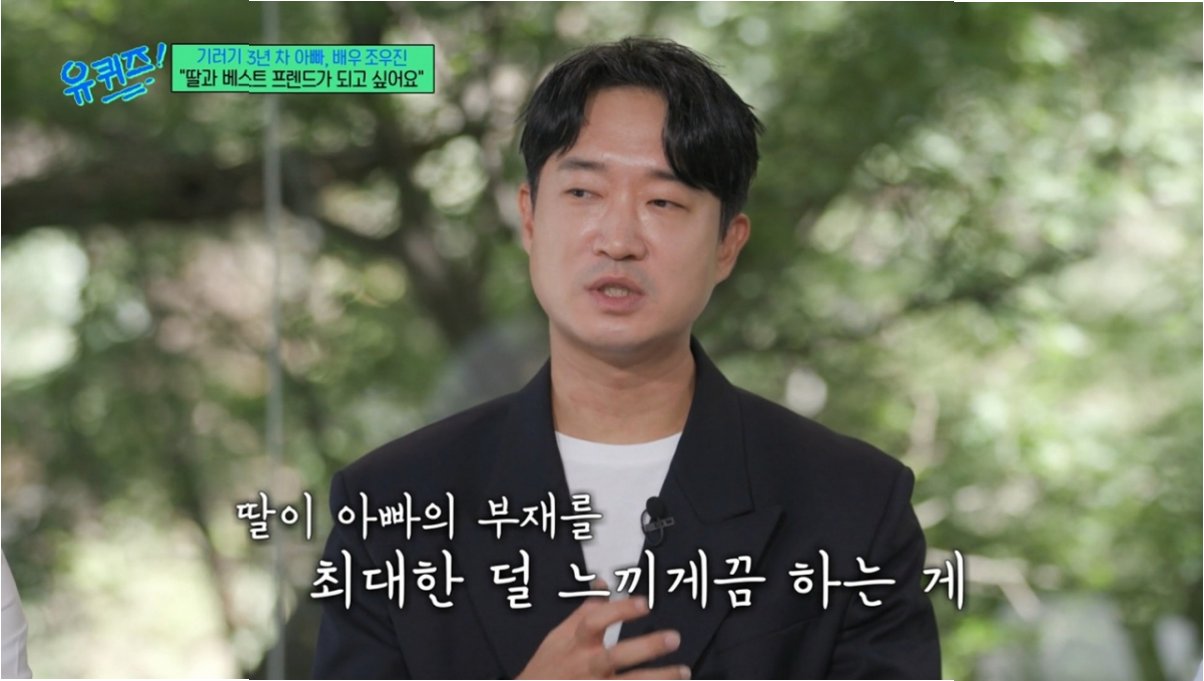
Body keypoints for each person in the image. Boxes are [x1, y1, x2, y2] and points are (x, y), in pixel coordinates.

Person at [312, 37, 940, 679]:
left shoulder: (853, 506)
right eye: (584, 192)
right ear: (530, 219)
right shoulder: (391, 508)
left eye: (663, 202)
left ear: (727, 245)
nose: (617, 240)